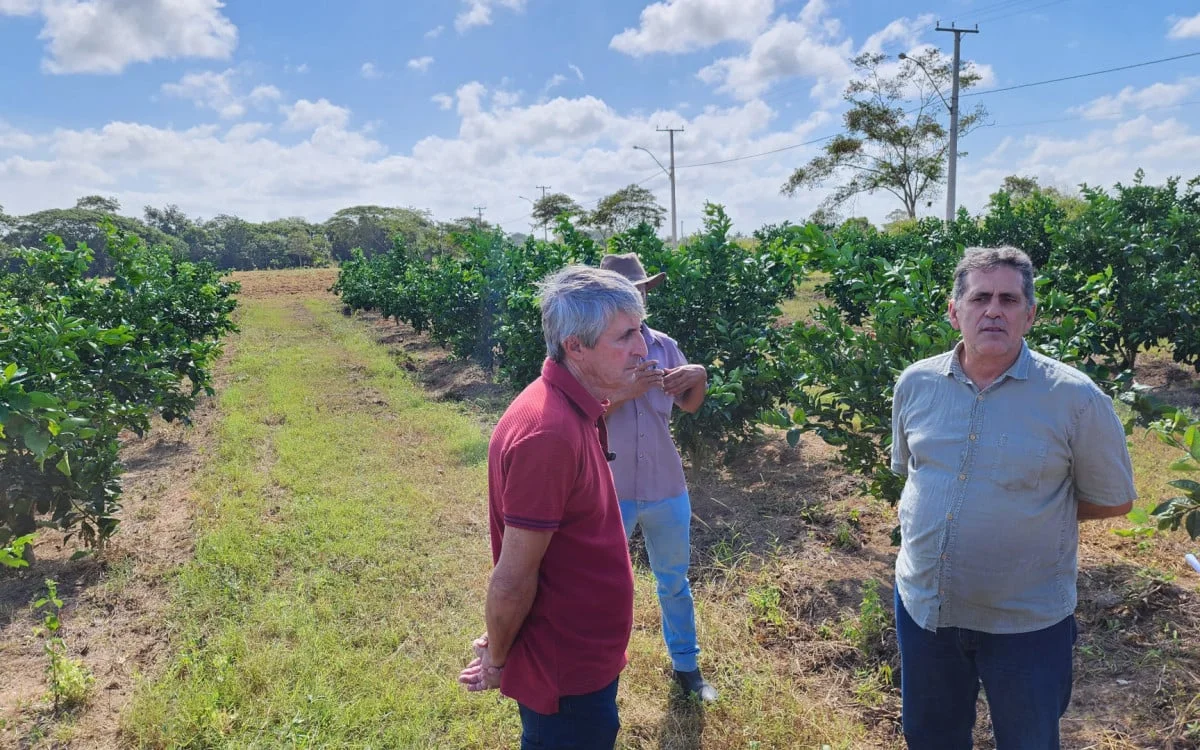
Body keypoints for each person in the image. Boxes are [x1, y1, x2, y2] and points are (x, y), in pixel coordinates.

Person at [890, 246, 1137, 750]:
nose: (994, 311)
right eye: (980, 298)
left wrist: (1033, 516)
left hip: (1026, 622)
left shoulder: (1075, 398)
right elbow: (912, 471)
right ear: (954, 311)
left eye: (1009, 299)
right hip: (925, 610)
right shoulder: (915, 383)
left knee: (1029, 740)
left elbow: (1113, 500)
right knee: (930, 736)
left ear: (1030, 315)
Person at [458, 264, 645, 750]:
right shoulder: (550, 435)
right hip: (567, 671)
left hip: (581, 658)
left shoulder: (572, 406)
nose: (642, 348)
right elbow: (513, 578)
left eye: (640, 330)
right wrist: (499, 659)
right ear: (575, 346)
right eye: (625, 336)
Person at [598, 252, 717, 703]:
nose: (636, 298)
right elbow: (582, 412)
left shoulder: (665, 346)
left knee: (674, 581)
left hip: (666, 484)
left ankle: (687, 667)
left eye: (640, 290)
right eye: (626, 292)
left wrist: (698, 375)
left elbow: (690, 404)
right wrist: (626, 391)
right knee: (605, 584)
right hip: (610, 488)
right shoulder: (593, 350)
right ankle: (600, 671)